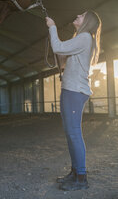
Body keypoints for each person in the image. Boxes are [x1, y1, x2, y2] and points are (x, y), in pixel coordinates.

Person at [45, 11, 102, 191]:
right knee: (71, 134)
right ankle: (75, 172)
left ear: (87, 22)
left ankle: (81, 178)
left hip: (74, 91)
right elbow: (63, 55)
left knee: (74, 133)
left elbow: (58, 47)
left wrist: (52, 26)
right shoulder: (81, 38)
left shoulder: (85, 37)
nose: (77, 15)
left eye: (82, 15)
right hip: (70, 90)